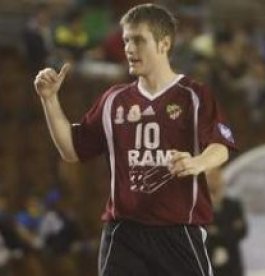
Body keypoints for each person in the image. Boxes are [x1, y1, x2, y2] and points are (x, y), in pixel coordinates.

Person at [33, 3, 236, 276]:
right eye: (126, 39)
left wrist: (198, 162)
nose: (129, 48)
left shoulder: (193, 95)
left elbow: (220, 147)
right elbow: (71, 149)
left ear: (164, 43)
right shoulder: (113, 99)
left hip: (177, 232)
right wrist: (49, 100)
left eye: (138, 40)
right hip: (123, 232)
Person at [205, 168, 247, 276]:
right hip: (209, 261)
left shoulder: (233, 205)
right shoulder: (202, 208)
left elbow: (242, 231)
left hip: (232, 264)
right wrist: (228, 229)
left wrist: (217, 231)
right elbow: (204, 232)